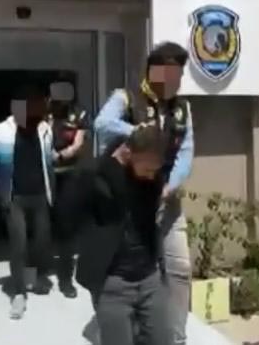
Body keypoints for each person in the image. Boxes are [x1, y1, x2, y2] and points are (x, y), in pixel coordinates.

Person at [94, 41, 194, 345]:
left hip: (165, 198)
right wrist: (142, 134)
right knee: (127, 266)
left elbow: (186, 153)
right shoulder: (125, 98)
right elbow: (102, 124)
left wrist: (168, 187)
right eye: (169, 73)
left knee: (179, 268)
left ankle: (175, 338)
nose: (174, 81)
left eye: (178, 75)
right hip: (130, 200)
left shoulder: (183, 109)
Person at [57, 124, 170, 345]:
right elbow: (66, 217)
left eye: (156, 170)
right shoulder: (94, 176)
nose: (152, 175)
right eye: (148, 169)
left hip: (149, 278)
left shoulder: (151, 180)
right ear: (129, 153)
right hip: (112, 284)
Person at [0, 84, 56, 320]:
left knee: (41, 241)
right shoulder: (0, 132)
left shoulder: (45, 130)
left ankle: (31, 278)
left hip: (40, 195)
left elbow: (48, 161)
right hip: (15, 197)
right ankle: (18, 293)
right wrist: (2, 188)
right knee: (19, 243)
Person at [47, 79, 89, 299]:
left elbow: (78, 143)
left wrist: (61, 155)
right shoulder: (43, 111)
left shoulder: (79, 114)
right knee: (40, 225)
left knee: (66, 228)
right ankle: (38, 272)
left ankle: (65, 279)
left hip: (69, 175)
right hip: (44, 176)